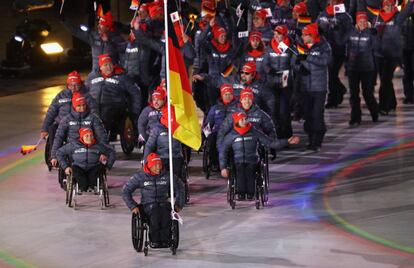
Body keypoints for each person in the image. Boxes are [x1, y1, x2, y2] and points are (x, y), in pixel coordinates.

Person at [219, 112, 299, 200]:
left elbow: (270, 143)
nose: (245, 121)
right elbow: (223, 151)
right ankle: (240, 193)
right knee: (239, 171)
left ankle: (250, 193)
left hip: (252, 159)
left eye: (246, 119)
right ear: (237, 122)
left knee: (250, 171)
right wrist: (223, 167)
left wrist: (287, 141)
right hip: (238, 160)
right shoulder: (231, 136)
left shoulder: (254, 132)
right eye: (242, 120)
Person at [122, 153, 185, 248]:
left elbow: (180, 186)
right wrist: (133, 206)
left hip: (163, 203)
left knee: (165, 212)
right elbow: (126, 191)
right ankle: (155, 240)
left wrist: (179, 204)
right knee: (155, 211)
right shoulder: (140, 176)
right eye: (155, 165)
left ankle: (165, 240)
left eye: (159, 165)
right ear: (149, 165)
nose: (158, 168)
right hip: (148, 204)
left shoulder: (167, 175)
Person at [40, 71, 97, 162]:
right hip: (62, 124)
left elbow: (94, 111)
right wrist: (44, 129)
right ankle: (53, 156)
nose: (73, 88)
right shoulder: (61, 96)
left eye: (76, 85)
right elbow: (51, 112)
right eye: (71, 85)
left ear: (80, 84)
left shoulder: (87, 96)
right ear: (67, 85)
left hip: (79, 124)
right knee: (53, 129)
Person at [295, 22, 332, 152]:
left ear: (312, 35)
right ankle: (311, 139)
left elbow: (325, 61)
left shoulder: (324, 46)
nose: (303, 37)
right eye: (303, 35)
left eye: (305, 35)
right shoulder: (300, 46)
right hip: (305, 87)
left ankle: (317, 141)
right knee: (308, 115)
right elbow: (294, 62)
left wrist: (308, 57)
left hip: (319, 87)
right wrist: (299, 67)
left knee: (317, 115)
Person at [86, 54, 141, 139]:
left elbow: (135, 93)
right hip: (94, 105)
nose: (109, 67)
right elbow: (84, 92)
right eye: (105, 65)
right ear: (100, 67)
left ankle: (100, 138)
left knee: (104, 115)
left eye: (110, 64)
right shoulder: (92, 76)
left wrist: (135, 111)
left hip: (114, 106)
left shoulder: (122, 77)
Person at [373, 0, 414, 115]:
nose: (389, 7)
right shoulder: (377, 18)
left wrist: (410, 2)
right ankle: (392, 103)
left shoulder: (397, 17)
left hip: (393, 55)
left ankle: (383, 106)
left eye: (391, 5)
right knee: (385, 80)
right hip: (379, 54)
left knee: (385, 81)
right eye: (387, 5)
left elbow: (406, 11)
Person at [50, 92, 108, 168]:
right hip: (73, 148)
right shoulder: (66, 119)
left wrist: (103, 152)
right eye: (79, 106)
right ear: (74, 106)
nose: (82, 108)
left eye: (84, 105)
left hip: (90, 148)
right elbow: (59, 137)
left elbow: (101, 136)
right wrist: (54, 156)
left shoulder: (93, 118)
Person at [56, 128, 115, 194]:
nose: (89, 138)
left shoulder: (98, 145)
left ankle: (92, 184)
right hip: (78, 167)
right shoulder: (74, 145)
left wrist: (108, 166)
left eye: (91, 136)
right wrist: (66, 167)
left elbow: (112, 152)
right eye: (87, 136)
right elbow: (59, 153)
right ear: (82, 137)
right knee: (83, 185)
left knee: (95, 180)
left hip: (94, 167)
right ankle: (83, 185)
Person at [345, 12, 379, 125]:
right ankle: (355, 118)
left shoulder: (370, 33)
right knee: (354, 94)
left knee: (367, 93)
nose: (363, 24)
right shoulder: (351, 32)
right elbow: (343, 44)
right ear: (357, 23)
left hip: (367, 68)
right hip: (353, 68)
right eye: (360, 22)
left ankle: (375, 112)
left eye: (364, 22)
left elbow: (376, 47)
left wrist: (375, 35)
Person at [203, 84, 238, 169]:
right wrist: (205, 136)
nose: (228, 96)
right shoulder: (215, 108)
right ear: (222, 95)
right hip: (218, 131)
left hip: (233, 131)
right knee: (211, 140)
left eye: (230, 94)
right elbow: (208, 123)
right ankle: (215, 163)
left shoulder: (238, 107)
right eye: (225, 94)